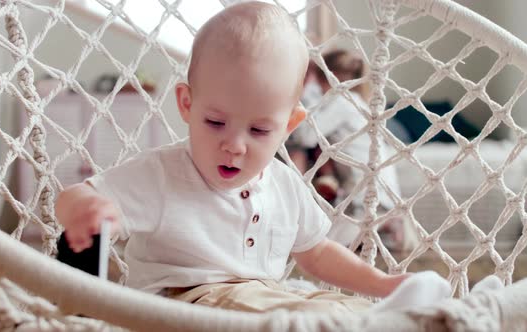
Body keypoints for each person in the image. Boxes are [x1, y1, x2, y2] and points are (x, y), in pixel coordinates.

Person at [54, 2, 448, 314]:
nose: (235, 145)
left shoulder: (283, 182)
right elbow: (73, 195)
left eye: (259, 131)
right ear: (187, 105)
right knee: (286, 315)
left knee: (324, 304)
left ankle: (398, 316)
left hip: (263, 299)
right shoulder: (163, 173)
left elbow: (317, 252)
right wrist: (87, 207)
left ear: (289, 125)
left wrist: (382, 284)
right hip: (183, 306)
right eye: (215, 122)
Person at [291, 50, 419, 251]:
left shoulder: (343, 102)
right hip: (371, 190)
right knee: (329, 242)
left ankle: (386, 222)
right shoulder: (357, 100)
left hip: (365, 196)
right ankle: (380, 226)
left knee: (318, 248)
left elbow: (304, 136)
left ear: (328, 76)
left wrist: (302, 97)